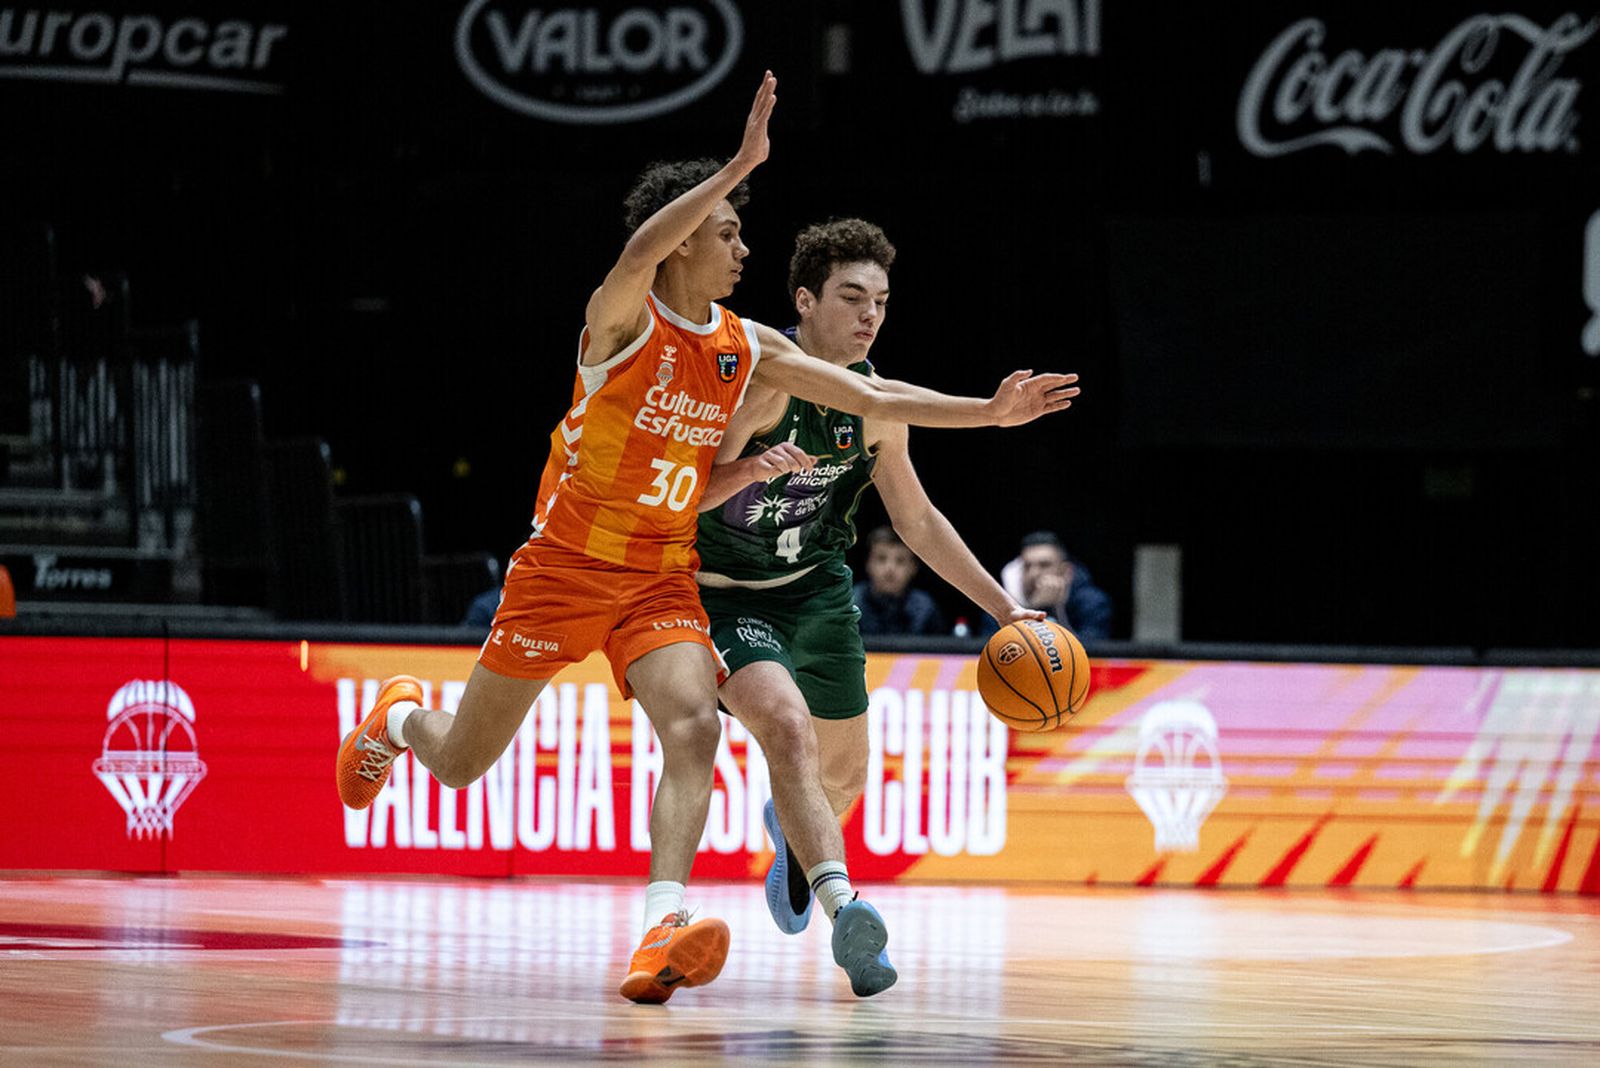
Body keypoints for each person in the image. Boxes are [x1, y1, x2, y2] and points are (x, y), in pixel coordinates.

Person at [334, 74, 1077, 1004]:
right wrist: (738, 162)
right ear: (684, 238)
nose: (743, 245)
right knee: (462, 761)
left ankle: (663, 926)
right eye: (728, 230)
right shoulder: (620, 320)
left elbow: (877, 398)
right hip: (564, 569)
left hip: (656, 575)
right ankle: (401, 717)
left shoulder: (747, 345)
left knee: (692, 729)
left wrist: (992, 414)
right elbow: (637, 256)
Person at [694, 217, 1076, 991]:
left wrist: (1006, 609)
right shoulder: (763, 378)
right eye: (851, 297)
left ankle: (794, 835)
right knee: (788, 729)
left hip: (817, 593)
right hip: (725, 596)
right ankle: (839, 899)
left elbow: (917, 519)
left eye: (882, 300)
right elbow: (690, 495)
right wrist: (987, 413)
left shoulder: (874, 405)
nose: (870, 314)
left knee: (847, 779)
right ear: (804, 300)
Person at [982, 530, 1112, 640]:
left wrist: (1052, 610)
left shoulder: (1093, 603)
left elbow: (1091, 653)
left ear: (1066, 571)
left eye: (1044, 565)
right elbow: (991, 648)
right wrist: (1034, 610)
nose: (1034, 573)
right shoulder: (1001, 603)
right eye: (1027, 566)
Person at [852, 526, 946, 636]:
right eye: (881, 559)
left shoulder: (926, 609)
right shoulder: (851, 604)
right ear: (868, 564)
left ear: (913, 568)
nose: (890, 568)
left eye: (900, 561)